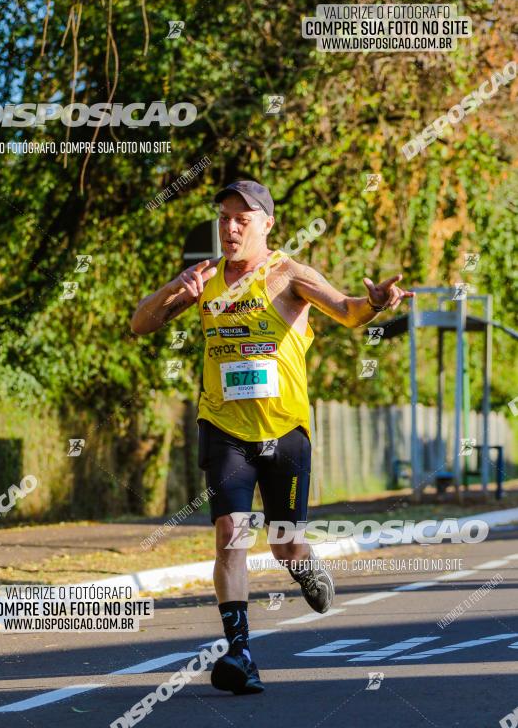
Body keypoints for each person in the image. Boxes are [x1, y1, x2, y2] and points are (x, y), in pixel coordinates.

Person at [131, 179, 414, 695]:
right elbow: (139, 323)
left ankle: (305, 567)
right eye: (224, 217)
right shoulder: (205, 279)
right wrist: (174, 290)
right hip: (223, 428)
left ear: (267, 223)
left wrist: (374, 302)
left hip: (286, 430)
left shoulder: (288, 274)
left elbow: (348, 311)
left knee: (285, 544)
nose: (231, 227)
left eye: (243, 218)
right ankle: (240, 653)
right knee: (230, 535)